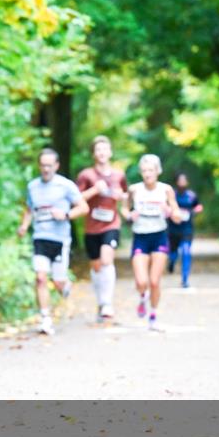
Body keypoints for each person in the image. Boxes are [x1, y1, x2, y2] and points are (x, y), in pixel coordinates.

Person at [18, 148, 89, 335]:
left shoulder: (65, 186)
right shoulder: (33, 186)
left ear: (56, 166)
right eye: (43, 165)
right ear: (39, 166)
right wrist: (24, 225)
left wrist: (66, 214)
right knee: (40, 278)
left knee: (58, 282)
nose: (46, 169)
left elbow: (84, 207)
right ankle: (45, 318)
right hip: (40, 238)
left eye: (50, 165)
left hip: (60, 240)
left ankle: (64, 286)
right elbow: (29, 209)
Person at [121, 154, 180, 331]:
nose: (147, 174)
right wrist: (130, 215)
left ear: (158, 171)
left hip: (159, 236)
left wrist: (168, 210)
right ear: (141, 172)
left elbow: (177, 216)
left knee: (154, 281)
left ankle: (153, 316)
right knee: (141, 281)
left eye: (151, 170)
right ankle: (142, 297)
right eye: (145, 170)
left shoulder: (166, 190)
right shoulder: (134, 189)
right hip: (140, 237)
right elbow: (123, 208)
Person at [76, 136, 128, 323]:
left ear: (110, 152)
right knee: (96, 267)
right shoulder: (86, 175)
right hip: (91, 227)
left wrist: (121, 197)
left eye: (105, 149)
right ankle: (101, 303)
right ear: (93, 154)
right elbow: (76, 198)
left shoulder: (119, 175)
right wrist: (94, 191)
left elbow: (125, 196)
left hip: (111, 224)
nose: (102, 153)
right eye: (98, 150)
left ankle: (107, 303)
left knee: (107, 260)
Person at [168, 172, 203, 288]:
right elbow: (165, 207)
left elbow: (199, 206)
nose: (182, 183)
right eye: (180, 180)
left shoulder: (191, 195)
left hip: (187, 229)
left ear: (187, 182)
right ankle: (171, 263)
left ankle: (185, 279)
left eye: (184, 180)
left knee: (186, 252)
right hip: (173, 229)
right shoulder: (171, 195)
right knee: (173, 253)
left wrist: (193, 211)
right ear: (176, 182)